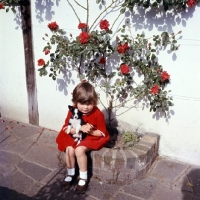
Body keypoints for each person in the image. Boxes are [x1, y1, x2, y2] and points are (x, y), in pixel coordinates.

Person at [56, 82, 110, 194]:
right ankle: (70, 173)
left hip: (92, 137)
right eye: (82, 103)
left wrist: (89, 130)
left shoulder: (97, 113)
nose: (85, 107)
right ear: (75, 102)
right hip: (75, 134)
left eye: (89, 103)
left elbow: (101, 133)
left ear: (94, 102)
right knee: (69, 149)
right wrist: (80, 128)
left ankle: (83, 177)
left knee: (79, 150)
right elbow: (67, 128)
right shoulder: (73, 110)